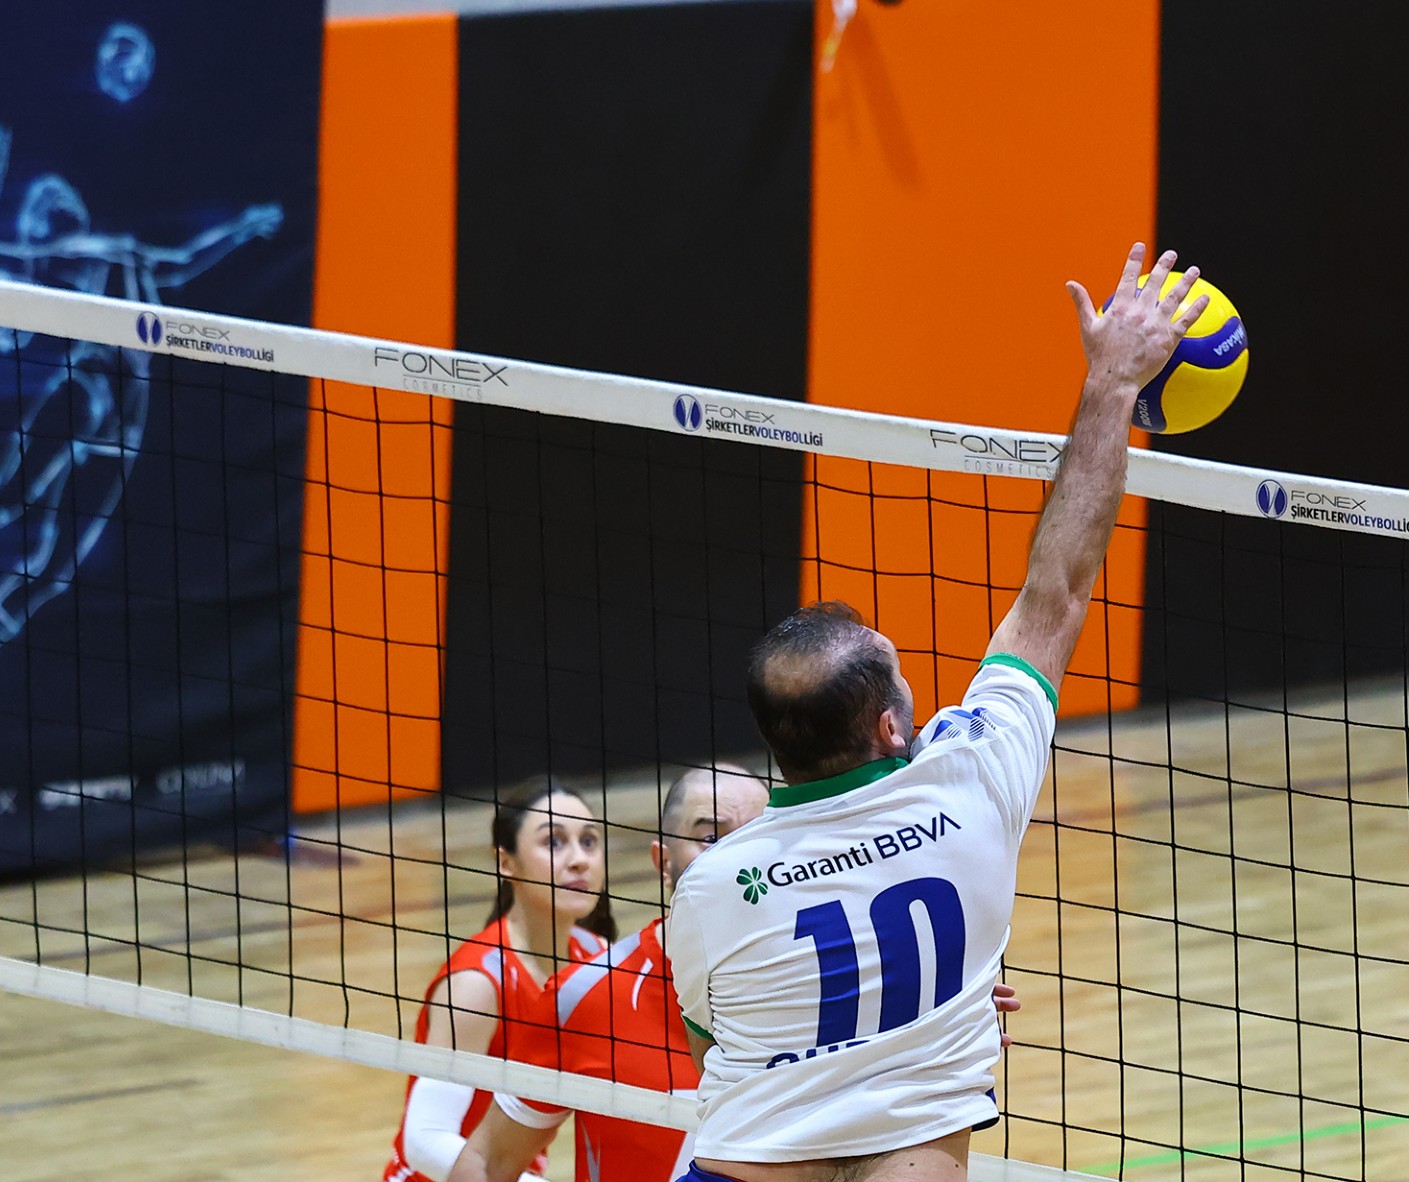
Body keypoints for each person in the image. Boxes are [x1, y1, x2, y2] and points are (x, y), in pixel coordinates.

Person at [663, 243, 1207, 1182]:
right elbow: (1057, 590)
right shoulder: (970, 786)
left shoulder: (714, 884)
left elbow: (712, 1036)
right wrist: (1113, 381)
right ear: (888, 728)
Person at [444, 763, 772, 1181]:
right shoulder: (588, 996)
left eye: (756, 835)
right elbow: (487, 1162)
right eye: (710, 837)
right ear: (663, 861)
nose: (736, 856)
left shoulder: (828, 977)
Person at [383, 778, 613, 1182]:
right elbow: (425, 1143)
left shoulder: (598, 960)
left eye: (589, 841)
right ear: (506, 863)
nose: (579, 859)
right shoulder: (476, 985)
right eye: (554, 842)